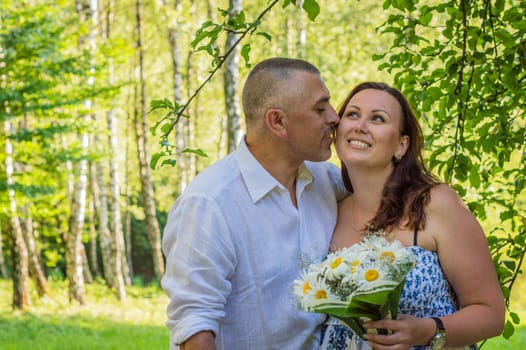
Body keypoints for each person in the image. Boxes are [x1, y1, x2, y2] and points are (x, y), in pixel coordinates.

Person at [161, 57, 348, 350]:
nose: (335, 118)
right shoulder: (209, 204)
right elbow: (194, 325)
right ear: (277, 121)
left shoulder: (328, 181)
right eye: (320, 109)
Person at [320, 82, 505, 350]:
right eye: (352, 114)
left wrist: (428, 331)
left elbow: (491, 313)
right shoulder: (329, 211)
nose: (360, 126)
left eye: (378, 118)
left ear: (401, 145)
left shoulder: (434, 204)